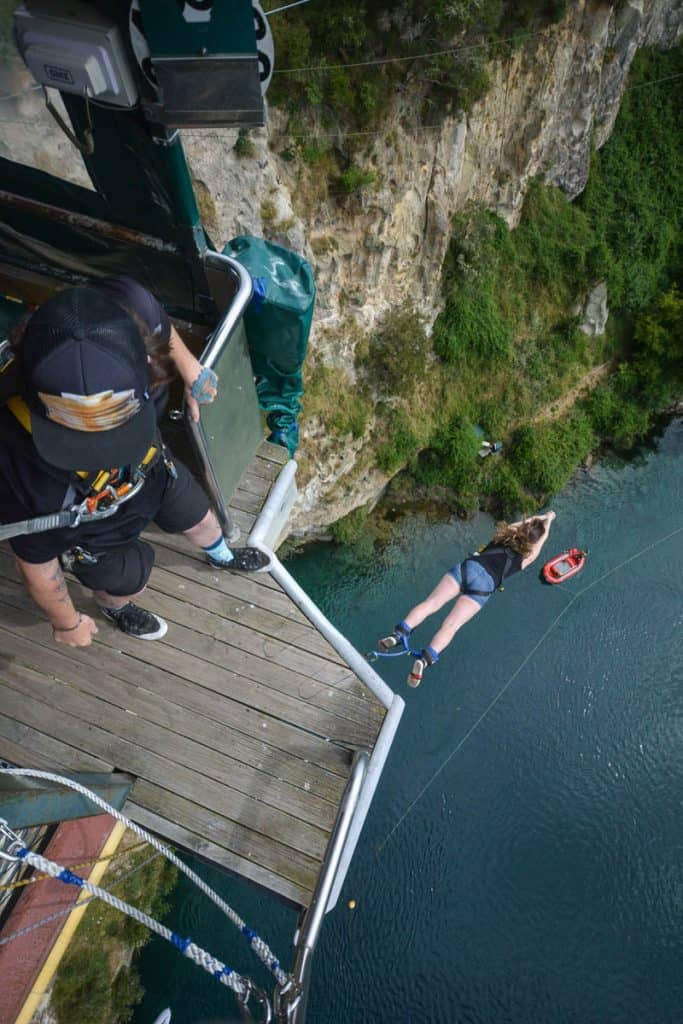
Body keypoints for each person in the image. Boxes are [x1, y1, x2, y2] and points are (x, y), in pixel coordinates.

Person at [0, 279, 270, 648]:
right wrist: (66, 622)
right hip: (89, 520)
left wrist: (191, 368)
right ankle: (116, 606)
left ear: (144, 357)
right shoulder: (19, 467)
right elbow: (36, 568)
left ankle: (220, 555)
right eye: (82, 441)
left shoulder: (126, 307)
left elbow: (159, 321)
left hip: (150, 468)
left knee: (200, 517)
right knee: (128, 579)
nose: (103, 451)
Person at [378, 512, 556, 686]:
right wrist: (549, 523)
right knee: (451, 625)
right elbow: (542, 540)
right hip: (484, 587)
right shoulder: (524, 559)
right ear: (533, 542)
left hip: (469, 568)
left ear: (524, 526)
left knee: (431, 604)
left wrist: (541, 517)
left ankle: (398, 634)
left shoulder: (503, 536)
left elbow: (517, 526)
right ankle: (425, 659)